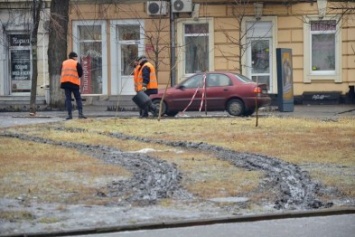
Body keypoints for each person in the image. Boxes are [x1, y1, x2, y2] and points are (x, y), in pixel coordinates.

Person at [60, 52, 87, 120]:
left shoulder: (64, 63)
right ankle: (80, 114)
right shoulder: (76, 63)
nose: (76, 58)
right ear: (74, 57)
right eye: (76, 57)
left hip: (65, 83)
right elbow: (80, 73)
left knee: (68, 99)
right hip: (74, 83)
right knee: (78, 98)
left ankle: (69, 115)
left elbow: (60, 71)